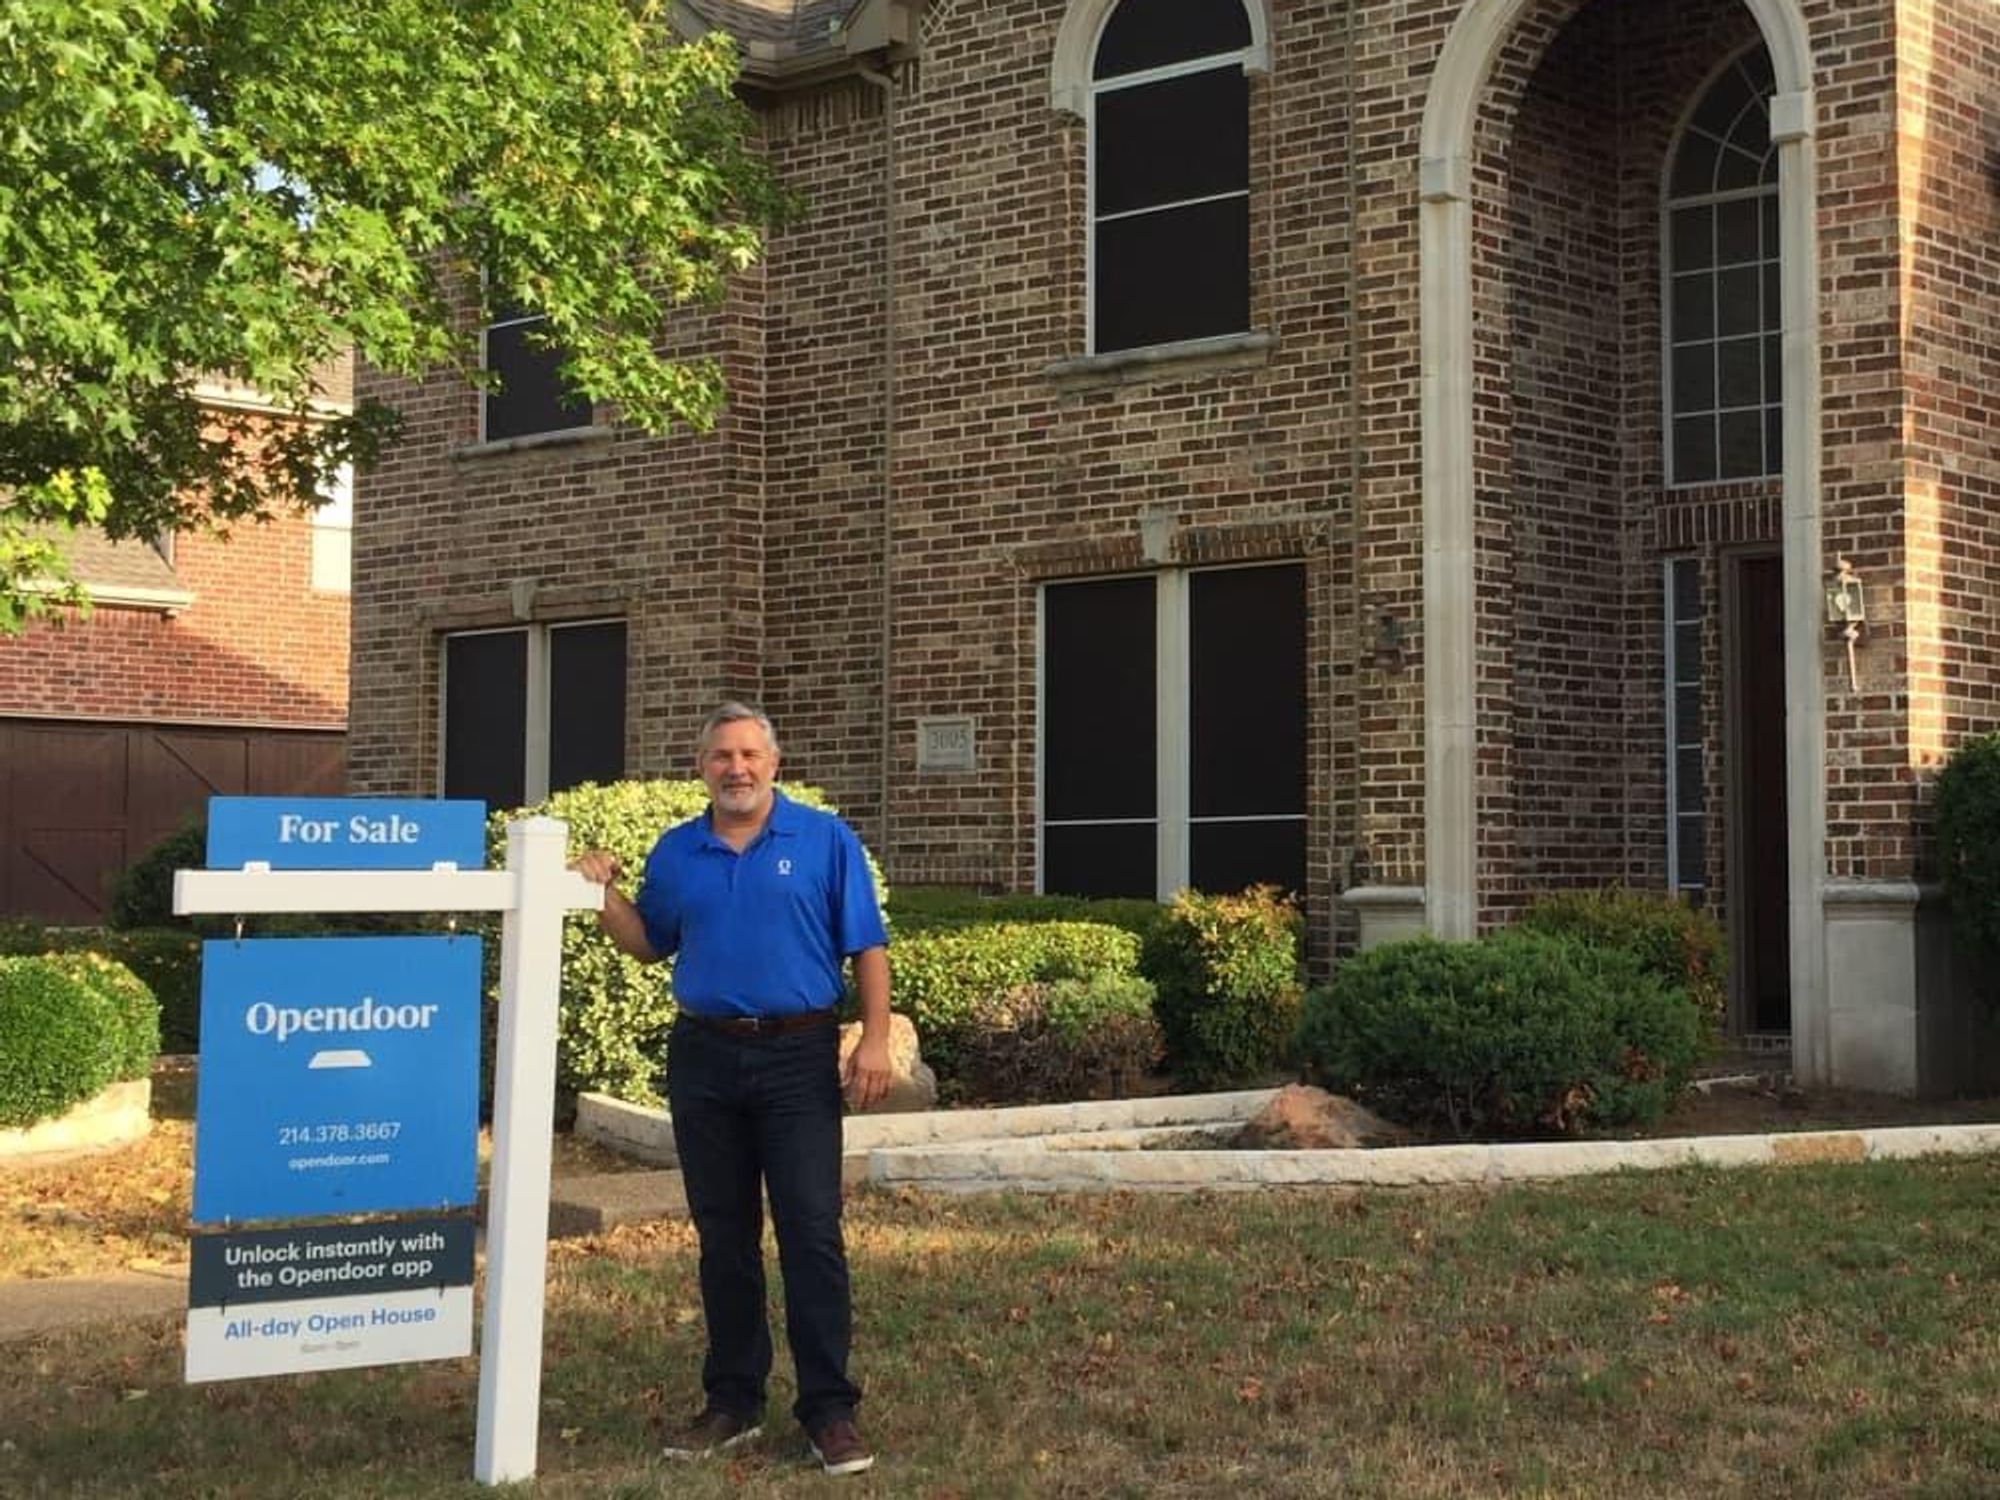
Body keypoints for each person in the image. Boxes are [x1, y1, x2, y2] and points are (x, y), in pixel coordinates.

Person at [570, 701, 893, 1477]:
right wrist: (598, 891)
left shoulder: (824, 840)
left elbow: (867, 945)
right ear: (702, 766)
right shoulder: (678, 851)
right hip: (705, 1056)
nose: (736, 768)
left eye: (750, 754)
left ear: (774, 764)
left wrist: (875, 1038)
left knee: (811, 1231)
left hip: (798, 1056)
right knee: (724, 1235)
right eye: (722, 756)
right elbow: (650, 943)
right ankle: (734, 1400)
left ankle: (829, 1410)